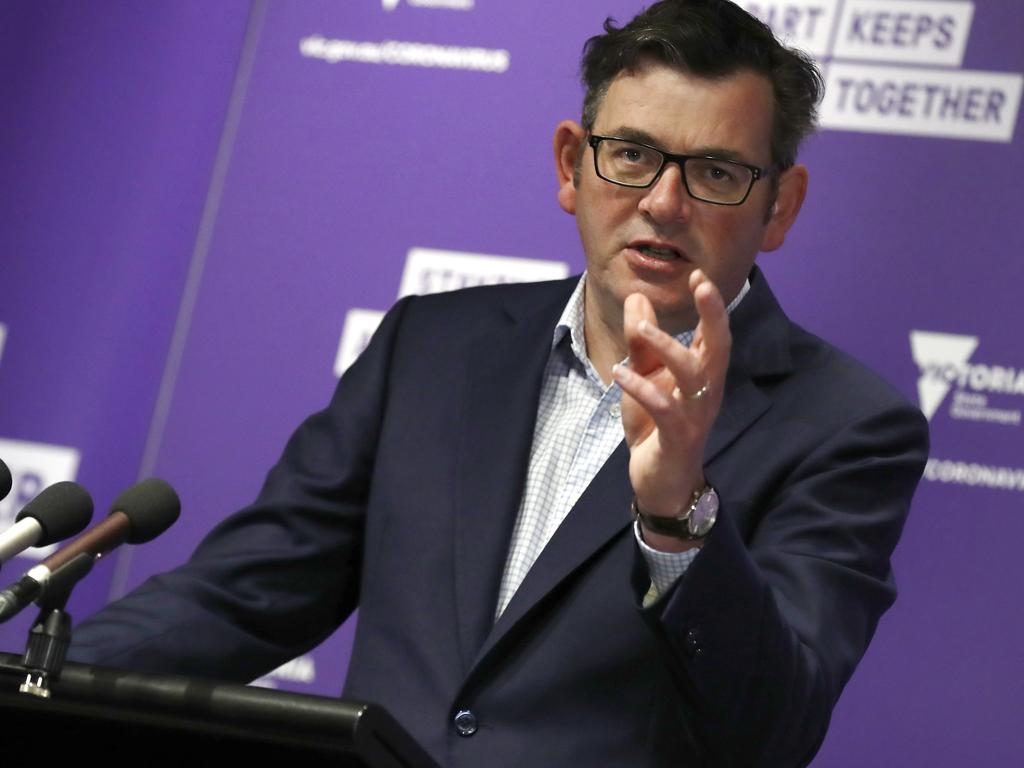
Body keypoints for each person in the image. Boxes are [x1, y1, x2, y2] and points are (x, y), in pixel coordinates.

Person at [69, 1, 929, 765]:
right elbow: (246, 595)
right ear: (571, 165)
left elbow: (770, 730)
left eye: (714, 172)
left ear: (779, 207)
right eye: (631, 153)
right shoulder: (432, 350)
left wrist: (677, 518)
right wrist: (40, 679)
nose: (664, 203)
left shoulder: (846, 425)